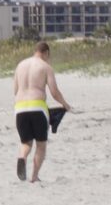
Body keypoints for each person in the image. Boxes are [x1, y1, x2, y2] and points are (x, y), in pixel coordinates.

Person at [13, 42, 70, 183]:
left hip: (20, 108)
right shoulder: (45, 67)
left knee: (26, 143)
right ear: (46, 53)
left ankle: (22, 157)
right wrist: (65, 105)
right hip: (38, 107)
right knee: (41, 144)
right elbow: (54, 92)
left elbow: (15, 90)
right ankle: (34, 177)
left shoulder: (20, 65)